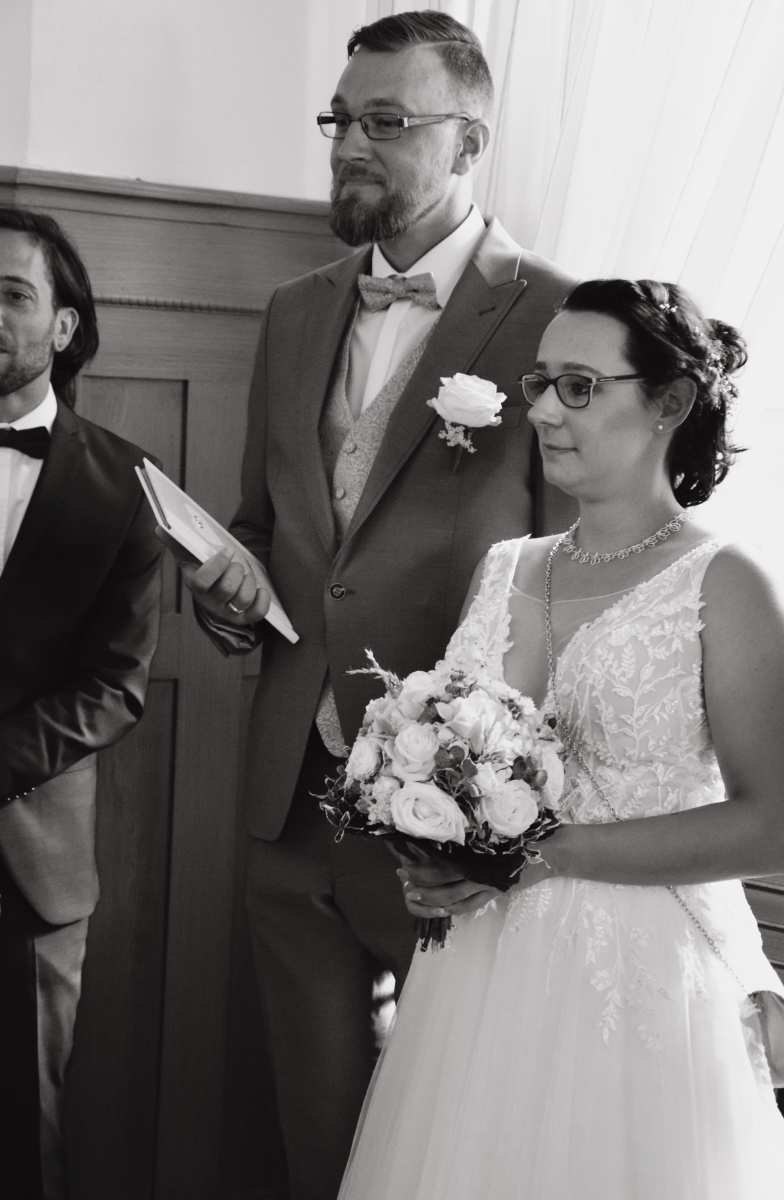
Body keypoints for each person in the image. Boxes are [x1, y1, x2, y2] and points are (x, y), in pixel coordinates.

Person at [159, 11, 576, 1199]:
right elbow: (265, 526)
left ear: (468, 141)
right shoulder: (296, 308)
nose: (350, 143)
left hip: (454, 815)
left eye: (385, 122)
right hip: (289, 802)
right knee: (317, 1137)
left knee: (453, 1141)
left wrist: (499, 795)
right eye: (339, 119)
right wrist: (228, 591)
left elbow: (570, 573)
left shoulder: (556, 315)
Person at [339, 278, 784, 1199]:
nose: (543, 409)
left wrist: (542, 855)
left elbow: (771, 823)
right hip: (476, 981)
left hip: (638, 983)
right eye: (540, 383)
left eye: (579, 386)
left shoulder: (725, 583)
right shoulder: (504, 566)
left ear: (670, 402)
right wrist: (430, 853)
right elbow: (462, 765)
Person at [0, 207, 162, 1200]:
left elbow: (114, 688)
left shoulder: (125, 484)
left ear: (64, 325)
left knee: (22, 1131)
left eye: (13, 294)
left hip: (30, 863)